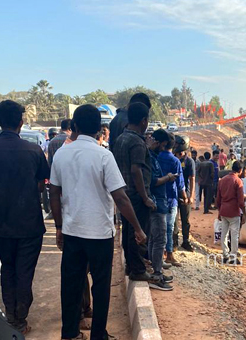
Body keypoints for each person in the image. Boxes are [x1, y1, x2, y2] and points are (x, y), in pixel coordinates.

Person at [50, 104, 147, 340]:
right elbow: (120, 197)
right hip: (100, 235)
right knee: (100, 287)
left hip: (73, 232)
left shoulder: (61, 154)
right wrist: (137, 228)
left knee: (71, 285)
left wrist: (59, 227)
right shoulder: (104, 156)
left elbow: (54, 193)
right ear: (99, 130)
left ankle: (70, 333)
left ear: (74, 126)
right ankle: (98, 335)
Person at [0, 100, 49, 335]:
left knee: (8, 268)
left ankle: (12, 315)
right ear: (21, 122)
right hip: (30, 221)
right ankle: (20, 318)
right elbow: (42, 184)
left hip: (1, 222)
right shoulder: (33, 150)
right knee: (25, 270)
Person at [113, 102, 157, 282]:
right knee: (139, 234)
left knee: (129, 232)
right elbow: (136, 170)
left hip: (124, 194)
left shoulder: (121, 139)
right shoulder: (137, 142)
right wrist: (145, 197)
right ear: (144, 121)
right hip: (137, 196)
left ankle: (131, 267)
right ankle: (138, 270)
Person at [147, 130, 177, 291]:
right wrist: (168, 177)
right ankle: (157, 275)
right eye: (163, 144)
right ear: (159, 143)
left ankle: (155, 271)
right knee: (159, 240)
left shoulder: (155, 157)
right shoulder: (150, 157)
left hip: (159, 201)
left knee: (154, 239)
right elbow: (152, 181)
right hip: (156, 203)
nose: (164, 148)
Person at [155, 130, 188, 266]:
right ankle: (169, 254)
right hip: (171, 198)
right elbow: (180, 184)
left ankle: (159, 254)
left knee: (158, 228)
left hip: (157, 196)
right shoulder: (175, 161)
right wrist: (185, 198)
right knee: (169, 227)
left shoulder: (155, 157)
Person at [217, 161, 246, 265]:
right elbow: (241, 201)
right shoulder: (238, 181)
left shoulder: (222, 180)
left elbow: (218, 199)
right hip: (234, 211)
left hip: (224, 210)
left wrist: (219, 212)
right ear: (240, 170)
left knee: (224, 234)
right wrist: (245, 213)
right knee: (234, 235)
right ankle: (233, 257)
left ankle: (225, 255)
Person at [173, 135, 195, 252]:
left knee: (185, 221)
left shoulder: (189, 162)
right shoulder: (173, 159)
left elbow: (192, 178)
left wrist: (191, 196)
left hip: (185, 195)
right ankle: (174, 243)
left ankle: (185, 242)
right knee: (174, 221)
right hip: (174, 195)